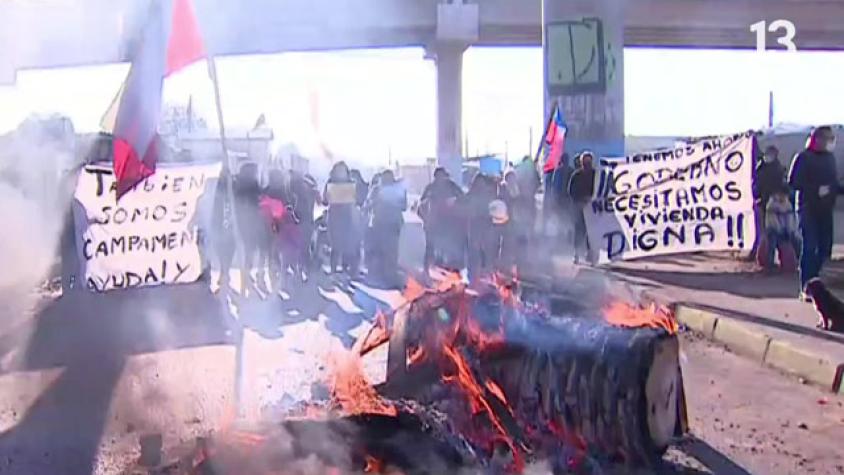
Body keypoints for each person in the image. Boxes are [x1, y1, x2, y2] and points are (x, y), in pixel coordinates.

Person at [788, 126, 840, 299]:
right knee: (810, 246)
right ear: (816, 139)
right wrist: (815, 190)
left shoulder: (829, 158)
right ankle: (806, 286)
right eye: (827, 139)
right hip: (807, 208)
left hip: (825, 210)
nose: (830, 143)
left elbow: (833, 183)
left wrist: (834, 189)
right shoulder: (803, 157)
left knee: (825, 248)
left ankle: (816, 282)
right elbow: (794, 182)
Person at [419, 167, 464, 272]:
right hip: (434, 223)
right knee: (432, 247)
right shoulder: (430, 189)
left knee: (447, 247)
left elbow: (462, 199)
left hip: (448, 223)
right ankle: (429, 269)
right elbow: (422, 205)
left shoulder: (451, 187)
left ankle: (444, 269)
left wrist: (455, 204)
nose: (441, 179)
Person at [368, 170, 407, 287]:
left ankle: (387, 277)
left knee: (387, 251)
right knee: (389, 251)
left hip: (386, 223)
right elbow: (403, 206)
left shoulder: (378, 190)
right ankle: (386, 276)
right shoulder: (378, 190)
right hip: (386, 224)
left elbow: (369, 204)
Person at [234, 162, 266, 296]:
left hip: (249, 222)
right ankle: (245, 278)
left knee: (249, 252)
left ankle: (246, 277)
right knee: (249, 252)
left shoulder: (239, 184)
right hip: (248, 222)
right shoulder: (249, 185)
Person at [323, 161, 359, 277]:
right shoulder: (334, 183)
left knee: (344, 245)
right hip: (336, 217)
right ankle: (336, 270)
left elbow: (355, 200)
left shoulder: (348, 183)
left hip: (344, 217)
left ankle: (343, 270)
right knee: (336, 245)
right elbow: (325, 200)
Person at [465, 173, 501, 281]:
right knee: (475, 251)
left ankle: (486, 275)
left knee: (486, 252)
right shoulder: (473, 194)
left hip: (486, 224)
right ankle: (474, 276)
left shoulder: (489, 193)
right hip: (476, 225)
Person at [759, 186, 800, 272]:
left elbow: (790, 219)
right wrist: (780, 230)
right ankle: (769, 263)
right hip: (773, 229)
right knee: (772, 243)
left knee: (796, 241)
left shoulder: (787, 204)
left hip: (784, 229)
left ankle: (799, 260)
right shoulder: (772, 204)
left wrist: (790, 230)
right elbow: (773, 221)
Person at [289, 170, 320, 280]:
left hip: (298, 221)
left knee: (297, 247)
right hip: (306, 222)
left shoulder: (294, 190)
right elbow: (320, 202)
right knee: (304, 247)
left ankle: (299, 269)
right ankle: (303, 269)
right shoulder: (311, 190)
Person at [568, 151, 597, 265]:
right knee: (579, 230)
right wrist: (579, 200)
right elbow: (571, 191)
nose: (587, 164)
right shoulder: (576, 175)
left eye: (589, 161)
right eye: (585, 161)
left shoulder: (595, 174)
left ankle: (591, 255)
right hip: (580, 207)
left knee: (591, 232)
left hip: (591, 207)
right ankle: (577, 254)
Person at [212, 168, 237, 294]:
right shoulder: (217, 194)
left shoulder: (233, 192)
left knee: (227, 255)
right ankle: (224, 275)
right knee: (223, 255)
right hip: (221, 228)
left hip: (230, 229)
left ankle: (225, 276)